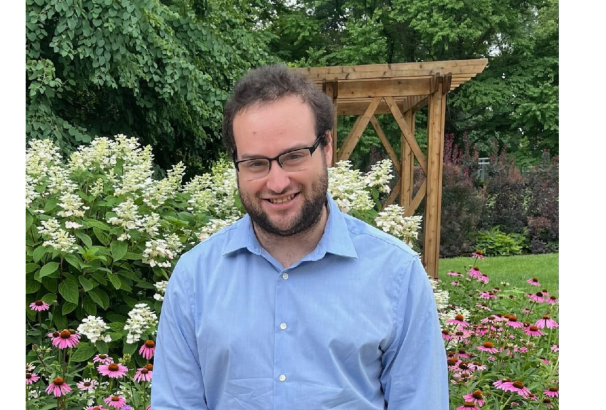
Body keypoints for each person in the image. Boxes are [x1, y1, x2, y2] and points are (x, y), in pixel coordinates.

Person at [151, 64, 448, 409]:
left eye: (293, 157)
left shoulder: (396, 274)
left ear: (326, 148)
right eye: (256, 164)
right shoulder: (194, 278)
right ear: (236, 164)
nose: (277, 183)